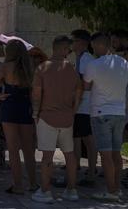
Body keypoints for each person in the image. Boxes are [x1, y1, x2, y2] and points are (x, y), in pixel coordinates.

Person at [30, 36, 83, 203]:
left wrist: (35, 113)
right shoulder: (72, 69)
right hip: (67, 117)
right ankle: (72, 190)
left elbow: (37, 93)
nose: (69, 52)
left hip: (46, 116)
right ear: (63, 49)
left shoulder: (42, 68)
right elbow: (79, 92)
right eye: (68, 49)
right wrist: (73, 111)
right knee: (70, 155)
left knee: (47, 156)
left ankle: (45, 191)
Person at [0, 40, 37, 195]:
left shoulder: (6, 67)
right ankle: (34, 183)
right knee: (29, 149)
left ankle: (18, 185)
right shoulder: (30, 67)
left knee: (13, 149)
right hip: (25, 105)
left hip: (9, 105)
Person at [84, 32, 128, 202]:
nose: (93, 49)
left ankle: (110, 191)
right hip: (120, 112)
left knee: (106, 155)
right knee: (116, 153)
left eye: (94, 46)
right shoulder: (124, 63)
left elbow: (86, 87)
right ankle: (116, 189)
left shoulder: (93, 65)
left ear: (100, 45)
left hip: (101, 112)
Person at [70, 29, 97, 184]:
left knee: (88, 139)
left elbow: (83, 83)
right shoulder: (80, 58)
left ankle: (92, 172)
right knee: (77, 137)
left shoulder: (86, 59)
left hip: (84, 105)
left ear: (81, 42)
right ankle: (77, 166)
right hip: (80, 104)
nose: (71, 43)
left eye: (73, 40)